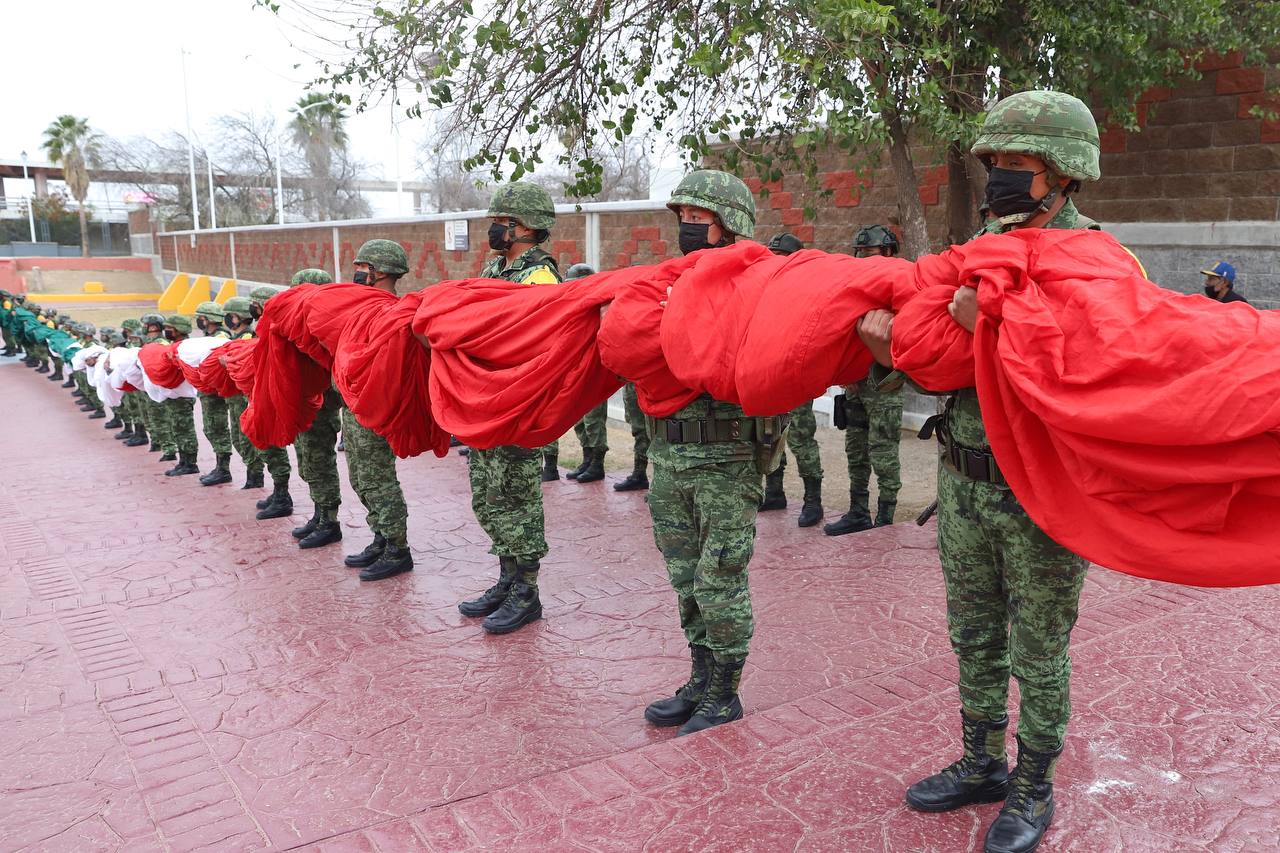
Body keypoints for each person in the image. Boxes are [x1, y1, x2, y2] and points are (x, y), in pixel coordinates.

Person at [857, 90, 1114, 853]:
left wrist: (1002, 330)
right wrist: (889, 354)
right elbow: (945, 368)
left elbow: (1093, 373)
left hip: (1039, 494)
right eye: (995, 162)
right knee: (973, 636)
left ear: (1062, 171)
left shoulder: (1095, 257)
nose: (1000, 176)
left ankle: (1033, 787)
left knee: (1038, 650)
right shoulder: (979, 249)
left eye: (1016, 163)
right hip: (965, 482)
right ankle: (981, 763)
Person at [640, 170, 786, 735]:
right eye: (683, 221)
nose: (689, 230)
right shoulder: (672, 282)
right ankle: (700, 676)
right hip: (670, 456)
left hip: (726, 461)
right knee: (684, 577)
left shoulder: (757, 283)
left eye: (700, 221)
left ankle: (725, 692)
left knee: (719, 578)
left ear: (731, 226)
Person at [458, 182, 561, 632]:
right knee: (488, 494)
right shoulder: (495, 269)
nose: (494, 229)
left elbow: (527, 340)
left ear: (523, 227)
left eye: (501, 222)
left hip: (516, 404)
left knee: (517, 497)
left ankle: (527, 591)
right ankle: (506, 578)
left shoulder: (539, 277)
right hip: (486, 400)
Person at [340, 241, 414, 581]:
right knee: (360, 478)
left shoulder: (390, 312)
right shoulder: (364, 308)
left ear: (380, 271)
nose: (357, 271)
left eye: (363, 265)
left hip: (373, 409)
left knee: (379, 480)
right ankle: (381, 538)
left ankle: (398, 549)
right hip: (354, 408)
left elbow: (385, 367)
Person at [824, 224, 905, 535]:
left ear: (887, 253)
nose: (864, 261)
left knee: (883, 448)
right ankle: (858, 510)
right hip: (857, 382)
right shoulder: (856, 288)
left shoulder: (902, 286)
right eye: (860, 255)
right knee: (855, 448)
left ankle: (885, 517)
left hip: (885, 382)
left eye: (869, 254)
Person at [759, 232, 824, 527]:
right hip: (769, 373)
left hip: (797, 377)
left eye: (782, 258)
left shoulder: (810, 292)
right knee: (768, 434)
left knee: (801, 437)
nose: (777, 264)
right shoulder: (764, 290)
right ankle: (774, 491)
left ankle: (814, 500)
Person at [287, 268, 345, 550]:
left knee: (320, 462)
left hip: (323, 405)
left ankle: (330, 521)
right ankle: (319, 513)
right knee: (307, 461)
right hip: (306, 402)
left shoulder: (329, 323)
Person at [560, 262, 610, 484]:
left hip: (594, 370)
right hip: (576, 368)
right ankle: (587, 458)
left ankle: (597, 463)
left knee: (594, 419)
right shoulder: (574, 308)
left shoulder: (601, 307)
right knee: (579, 418)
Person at [194, 302, 235, 486]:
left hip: (216, 391)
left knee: (218, 428)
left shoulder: (220, 337)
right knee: (210, 428)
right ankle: (220, 467)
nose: (199, 321)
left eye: (201, 317)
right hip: (208, 389)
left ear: (209, 319)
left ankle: (224, 469)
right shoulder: (209, 336)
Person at [160, 314, 201, 477]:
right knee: (177, 428)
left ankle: (191, 462)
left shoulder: (187, 347)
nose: (167, 331)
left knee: (185, 429)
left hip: (184, 394)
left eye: (170, 328)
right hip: (174, 393)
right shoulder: (174, 345)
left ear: (179, 330)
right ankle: (183, 460)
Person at [613, 383, 650, 492]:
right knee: (637, 428)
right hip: (631, 383)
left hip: (640, 384)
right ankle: (639, 474)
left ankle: (639, 474)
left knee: (641, 430)